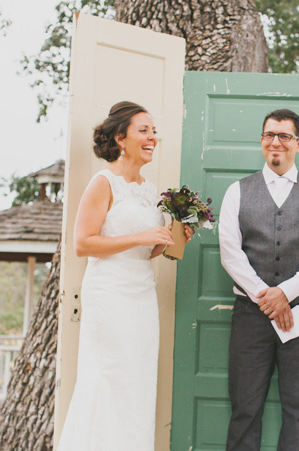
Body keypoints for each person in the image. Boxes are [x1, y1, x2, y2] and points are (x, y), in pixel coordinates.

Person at [57, 101, 191, 450]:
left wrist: (172, 239)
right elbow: (83, 243)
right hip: (109, 294)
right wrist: (143, 236)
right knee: (108, 378)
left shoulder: (150, 190)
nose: (152, 138)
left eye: (154, 132)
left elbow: (147, 251)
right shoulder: (103, 183)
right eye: (143, 131)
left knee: (137, 381)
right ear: (121, 138)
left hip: (141, 294)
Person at [219, 109, 299, 451]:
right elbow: (230, 254)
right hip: (249, 316)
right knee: (244, 410)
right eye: (269, 135)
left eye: (284, 136)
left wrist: (285, 294)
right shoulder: (237, 192)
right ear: (262, 141)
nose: (276, 142)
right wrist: (267, 297)